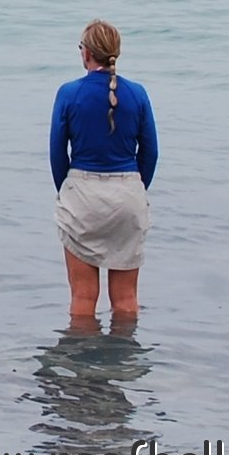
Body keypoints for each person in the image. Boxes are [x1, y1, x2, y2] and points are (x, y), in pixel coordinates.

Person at [50, 20, 159, 319]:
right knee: (126, 300)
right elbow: (150, 152)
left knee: (83, 299)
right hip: (127, 195)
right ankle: (122, 364)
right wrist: (135, 187)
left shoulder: (69, 93)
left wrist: (68, 190)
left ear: (86, 53)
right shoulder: (137, 93)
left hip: (82, 194)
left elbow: (57, 154)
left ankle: (84, 364)